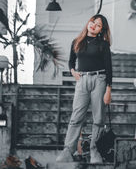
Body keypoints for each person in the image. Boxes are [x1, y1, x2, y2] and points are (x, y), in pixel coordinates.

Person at [56, 14, 112, 163]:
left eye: (98, 25)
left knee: (98, 118)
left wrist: (109, 89)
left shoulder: (103, 44)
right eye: (93, 21)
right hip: (82, 81)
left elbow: (109, 68)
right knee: (76, 117)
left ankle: (95, 151)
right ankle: (68, 150)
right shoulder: (77, 42)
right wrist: (73, 72)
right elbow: (71, 62)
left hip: (99, 80)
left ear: (101, 30)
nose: (94, 25)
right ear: (89, 22)